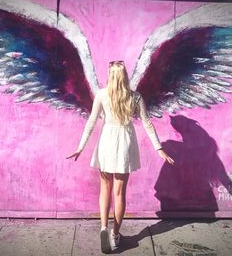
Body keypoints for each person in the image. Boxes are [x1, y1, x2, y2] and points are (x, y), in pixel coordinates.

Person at [66, 60, 174, 253]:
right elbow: (148, 124)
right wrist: (159, 148)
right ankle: (115, 235)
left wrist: (80, 147)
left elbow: (91, 122)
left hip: (107, 141)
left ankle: (103, 228)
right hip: (125, 143)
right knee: (119, 193)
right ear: (125, 76)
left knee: (104, 189)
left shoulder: (101, 95)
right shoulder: (135, 97)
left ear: (110, 75)